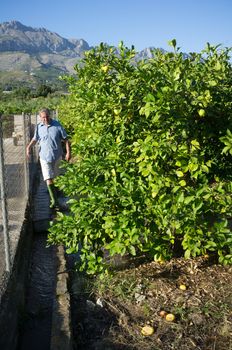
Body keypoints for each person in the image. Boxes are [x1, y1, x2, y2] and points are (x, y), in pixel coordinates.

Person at [26, 108, 71, 210]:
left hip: (57, 156)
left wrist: (68, 152)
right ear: (40, 118)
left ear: (49, 116)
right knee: (48, 177)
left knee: (55, 176)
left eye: (47, 117)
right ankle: (54, 201)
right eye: (43, 117)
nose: (45, 119)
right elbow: (35, 139)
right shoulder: (39, 127)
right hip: (44, 157)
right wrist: (28, 147)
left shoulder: (57, 125)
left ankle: (56, 194)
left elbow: (66, 139)